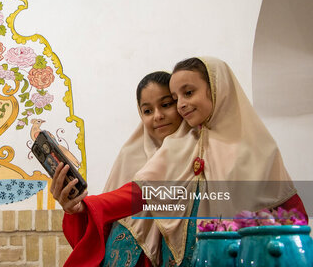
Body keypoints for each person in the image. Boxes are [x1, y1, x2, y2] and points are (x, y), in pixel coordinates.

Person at [125, 56, 306, 266]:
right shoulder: (180, 146)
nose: (182, 104)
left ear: (218, 89)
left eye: (188, 93)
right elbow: (139, 193)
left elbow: (294, 217)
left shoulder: (260, 150)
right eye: (176, 98)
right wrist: (87, 206)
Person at [51, 71, 183, 266]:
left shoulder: (193, 150)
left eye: (165, 105)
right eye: (147, 111)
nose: (158, 116)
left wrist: (90, 204)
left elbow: (144, 192)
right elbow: (104, 224)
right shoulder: (130, 155)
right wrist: (77, 210)